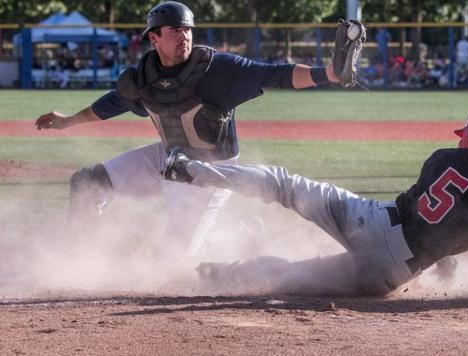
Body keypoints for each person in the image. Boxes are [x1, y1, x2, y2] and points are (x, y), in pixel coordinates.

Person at [34, 1, 360, 257]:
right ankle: (74, 255)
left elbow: (275, 75)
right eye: (175, 30)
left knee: (172, 259)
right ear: (154, 37)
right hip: (167, 156)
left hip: (211, 170)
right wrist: (68, 121)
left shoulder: (219, 70)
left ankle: (241, 234)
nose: (185, 36)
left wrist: (329, 73)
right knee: (88, 183)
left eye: (188, 29)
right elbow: (112, 104)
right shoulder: (143, 78)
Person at [163, 104, 468, 299]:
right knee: (298, 275)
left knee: (282, 185)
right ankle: (219, 274)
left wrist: (446, 257)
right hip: (390, 274)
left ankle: (190, 170)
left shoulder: (444, 158)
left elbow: (428, 209)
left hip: (373, 223)